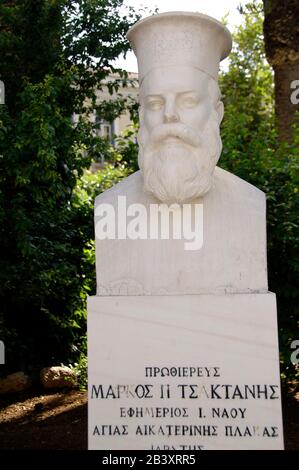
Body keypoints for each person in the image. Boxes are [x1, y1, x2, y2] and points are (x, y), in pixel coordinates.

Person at [94, 12, 268, 296]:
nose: (170, 115)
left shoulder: (249, 205)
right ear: (141, 115)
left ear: (217, 113)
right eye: (154, 103)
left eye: (188, 101)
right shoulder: (111, 209)